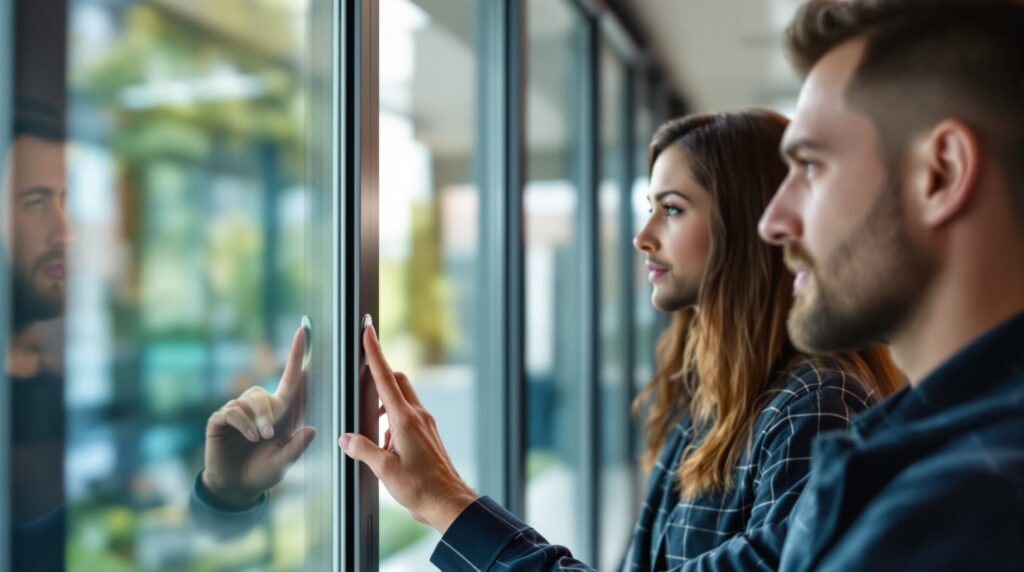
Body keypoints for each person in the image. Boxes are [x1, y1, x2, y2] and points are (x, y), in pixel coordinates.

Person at [339, 109, 903, 570]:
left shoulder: (816, 408)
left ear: (754, 225)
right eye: (648, 208)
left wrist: (447, 502)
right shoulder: (712, 397)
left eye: (673, 210)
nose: (642, 236)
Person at [757, 1, 1024, 570]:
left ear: (940, 175)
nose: (773, 222)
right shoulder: (921, 455)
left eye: (809, 165)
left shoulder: (962, 512)